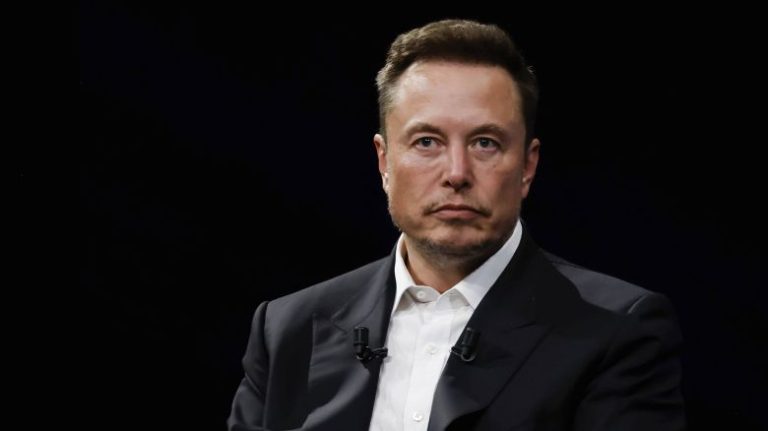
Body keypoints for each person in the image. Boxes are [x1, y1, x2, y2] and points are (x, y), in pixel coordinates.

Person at [228, 19, 685, 431]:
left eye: (485, 143)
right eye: (427, 141)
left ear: (527, 166)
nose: (457, 173)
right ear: (384, 162)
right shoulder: (288, 329)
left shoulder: (617, 330)